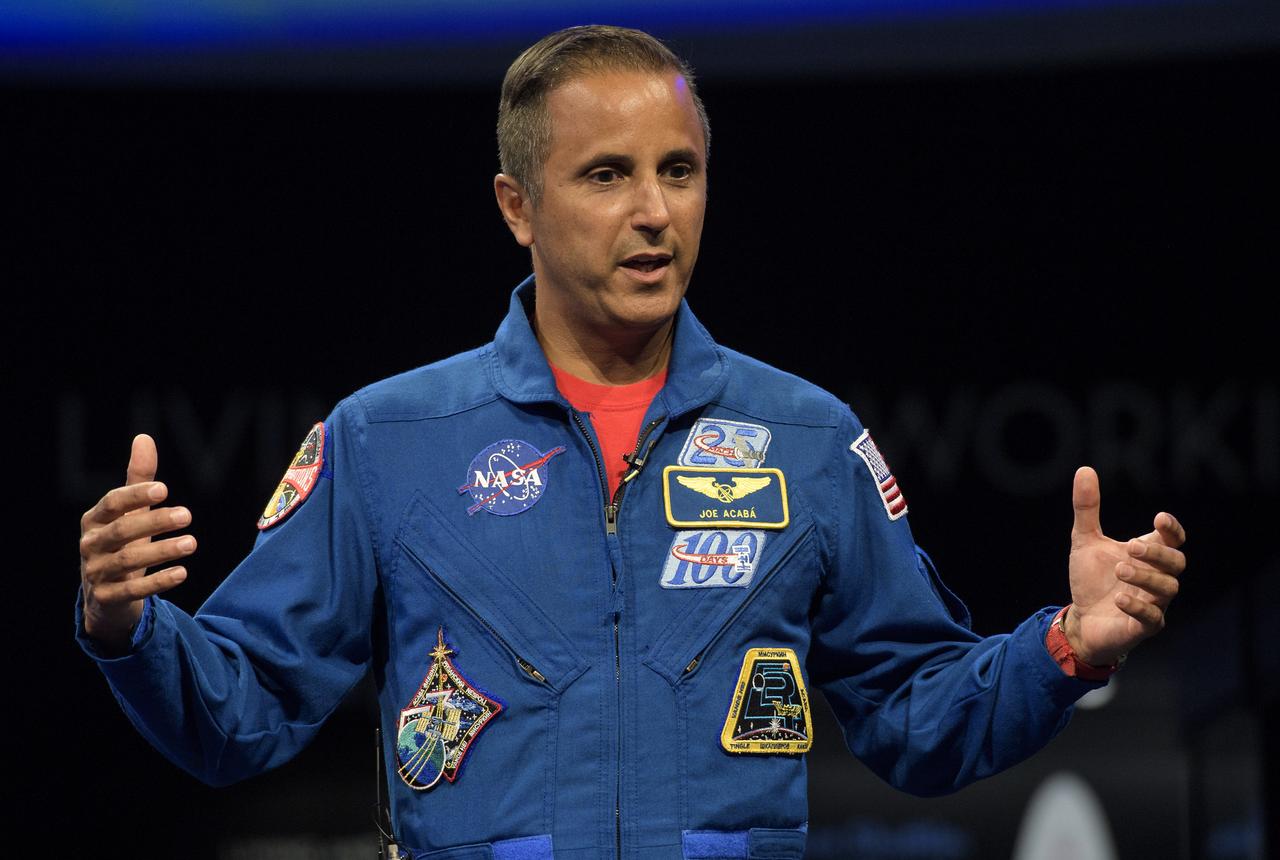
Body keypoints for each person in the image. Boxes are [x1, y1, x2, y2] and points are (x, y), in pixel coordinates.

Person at [76, 25, 1186, 860]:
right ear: (516, 205)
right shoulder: (387, 439)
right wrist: (128, 626)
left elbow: (913, 717)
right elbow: (241, 713)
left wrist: (1064, 647)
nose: (653, 211)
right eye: (605, 175)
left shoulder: (804, 439)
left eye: (678, 170)